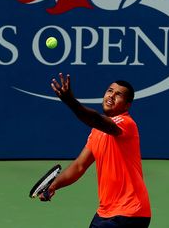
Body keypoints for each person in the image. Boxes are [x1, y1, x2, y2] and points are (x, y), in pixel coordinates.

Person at [39, 73, 151, 228]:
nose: (111, 96)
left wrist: (71, 101)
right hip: (105, 212)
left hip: (129, 212)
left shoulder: (126, 123)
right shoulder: (96, 132)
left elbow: (96, 119)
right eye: (110, 91)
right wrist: (53, 185)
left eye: (118, 94)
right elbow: (79, 166)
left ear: (127, 105)